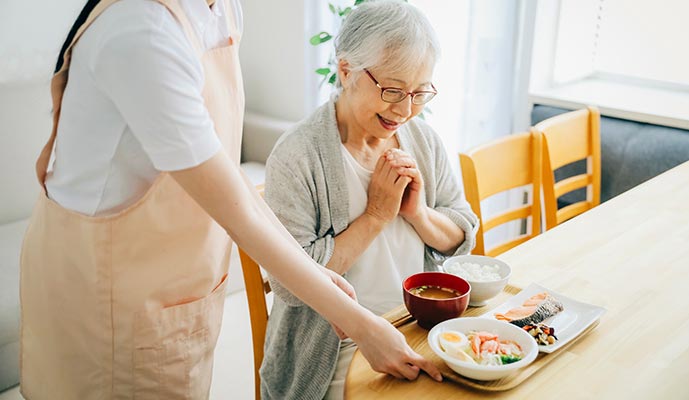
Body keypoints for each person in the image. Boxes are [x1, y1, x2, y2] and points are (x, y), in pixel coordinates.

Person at [18, 0, 441, 398]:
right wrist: (359, 324)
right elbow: (238, 215)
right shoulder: (141, 33)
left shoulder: (221, 11)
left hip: (176, 286)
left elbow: (227, 174)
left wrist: (319, 279)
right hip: (106, 295)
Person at [259, 1, 479, 399]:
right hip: (335, 349)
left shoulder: (423, 142)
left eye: (419, 93)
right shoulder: (297, 156)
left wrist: (418, 214)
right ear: (346, 71)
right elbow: (291, 285)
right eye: (392, 90)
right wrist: (376, 214)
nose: (406, 110)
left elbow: (462, 230)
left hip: (419, 326)